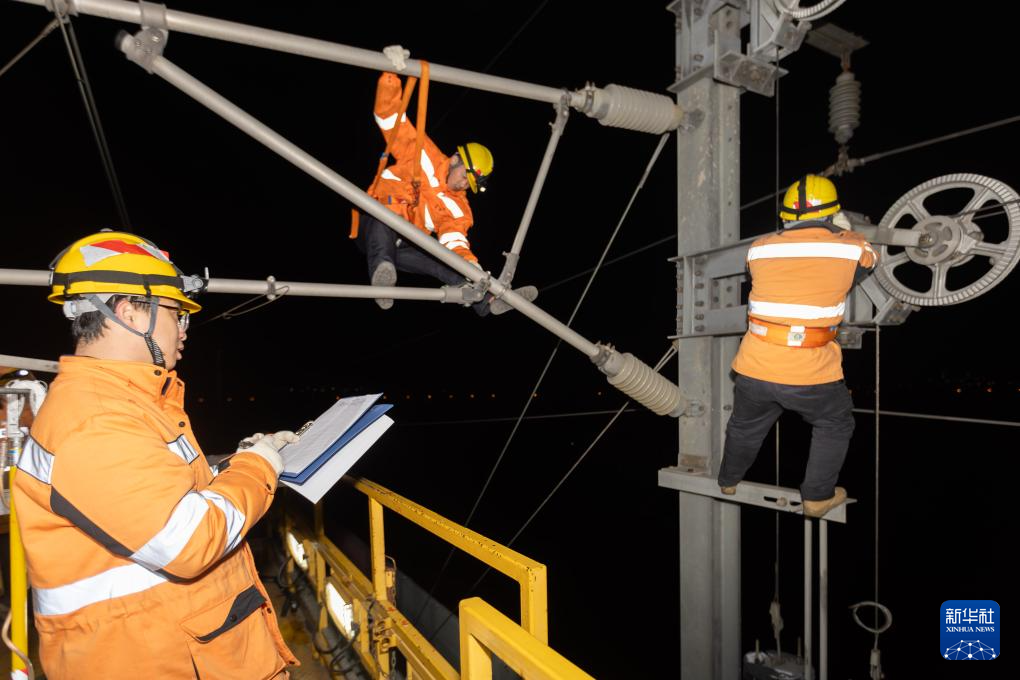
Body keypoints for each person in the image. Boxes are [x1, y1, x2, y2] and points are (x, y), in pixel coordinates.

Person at [12, 231, 299, 678]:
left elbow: (166, 491)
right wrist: (259, 465)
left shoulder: (125, 404)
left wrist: (237, 459)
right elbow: (189, 541)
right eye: (175, 313)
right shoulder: (95, 418)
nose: (184, 329)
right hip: (149, 659)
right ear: (129, 312)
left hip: (175, 647)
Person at [717, 175, 878, 518]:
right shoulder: (850, 247)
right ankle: (817, 497)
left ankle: (728, 479)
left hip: (754, 367)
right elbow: (870, 262)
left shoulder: (760, 247)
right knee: (835, 423)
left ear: (786, 216)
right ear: (833, 214)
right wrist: (846, 231)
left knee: (745, 426)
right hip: (810, 373)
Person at [354, 70, 537, 314]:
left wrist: (470, 265)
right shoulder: (424, 155)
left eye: (469, 185)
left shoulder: (458, 207)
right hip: (375, 223)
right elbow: (390, 118)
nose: (463, 185)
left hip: (404, 243)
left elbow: (454, 239)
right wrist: (391, 74)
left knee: (444, 262)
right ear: (455, 159)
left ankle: (490, 301)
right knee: (383, 217)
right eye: (464, 177)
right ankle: (383, 281)